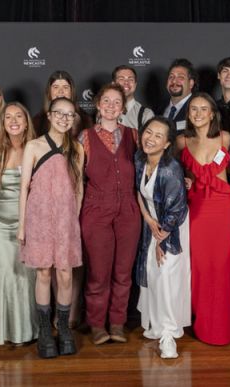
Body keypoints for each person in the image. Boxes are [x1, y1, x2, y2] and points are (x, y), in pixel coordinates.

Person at [18, 97, 85, 358]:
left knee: (66, 274)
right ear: (49, 115)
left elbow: (78, 188)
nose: (64, 119)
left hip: (66, 220)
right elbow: (24, 187)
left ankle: (64, 328)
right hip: (40, 219)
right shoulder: (33, 146)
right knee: (44, 272)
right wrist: (22, 225)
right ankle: (45, 330)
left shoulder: (77, 149)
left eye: (70, 115)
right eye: (60, 113)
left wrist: (74, 220)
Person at [78, 83, 141, 345]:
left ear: (123, 107)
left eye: (117, 102)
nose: (112, 106)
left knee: (123, 272)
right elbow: (75, 177)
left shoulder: (134, 136)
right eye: (107, 101)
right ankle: (96, 324)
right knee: (98, 273)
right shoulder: (84, 137)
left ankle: (117, 323)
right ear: (98, 105)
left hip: (128, 207)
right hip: (96, 209)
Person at [177, 93, 230, 345]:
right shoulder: (182, 141)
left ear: (213, 113)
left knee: (223, 267)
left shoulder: (225, 137)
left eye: (204, 109)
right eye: (194, 109)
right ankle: (203, 324)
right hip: (198, 210)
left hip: (224, 210)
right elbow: (173, 172)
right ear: (188, 113)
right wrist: (184, 181)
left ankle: (224, 327)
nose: (198, 113)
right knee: (200, 268)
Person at [134, 117, 191, 359]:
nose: (151, 138)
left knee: (167, 274)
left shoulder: (170, 169)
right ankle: (156, 325)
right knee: (153, 272)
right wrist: (148, 219)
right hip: (153, 223)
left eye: (158, 136)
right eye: (148, 132)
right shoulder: (139, 159)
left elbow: (177, 210)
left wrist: (162, 240)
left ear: (167, 144)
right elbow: (138, 192)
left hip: (172, 227)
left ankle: (169, 334)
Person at [0, 102, 38, 346]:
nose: (14, 120)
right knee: (6, 275)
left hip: (31, 223)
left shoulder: (37, 148)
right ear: (2, 123)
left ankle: (33, 330)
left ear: (26, 121)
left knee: (29, 277)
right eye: (8, 117)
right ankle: (10, 332)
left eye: (19, 116)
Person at [32, 70, 93, 137]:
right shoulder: (37, 121)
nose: (60, 91)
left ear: (71, 91)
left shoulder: (86, 119)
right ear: (49, 91)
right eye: (56, 87)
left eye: (65, 87)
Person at [113, 65, 155, 131]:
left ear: (135, 85)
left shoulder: (146, 114)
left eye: (130, 79)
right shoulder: (104, 111)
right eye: (121, 79)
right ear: (113, 84)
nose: (126, 82)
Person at [161, 58, 197, 132]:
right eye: (171, 77)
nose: (174, 81)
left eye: (180, 77)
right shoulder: (157, 108)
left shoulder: (199, 109)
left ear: (191, 83)